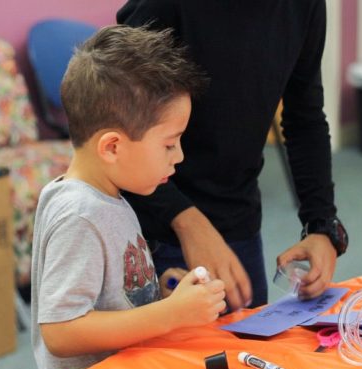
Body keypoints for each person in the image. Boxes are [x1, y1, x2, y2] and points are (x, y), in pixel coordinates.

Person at [25, 25, 225, 369]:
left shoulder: (107, 195)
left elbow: (108, 298)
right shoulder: (80, 214)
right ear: (112, 147)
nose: (179, 157)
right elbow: (60, 330)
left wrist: (158, 295)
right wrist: (171, 315)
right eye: (169, 144)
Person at [116, 0, 349, 310]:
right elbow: (117, 126)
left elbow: (304, 116)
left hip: (238, 223)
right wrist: (186, 221)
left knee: (247, 351)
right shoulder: (164, 6)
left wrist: (322, 226)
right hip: (155, 225)